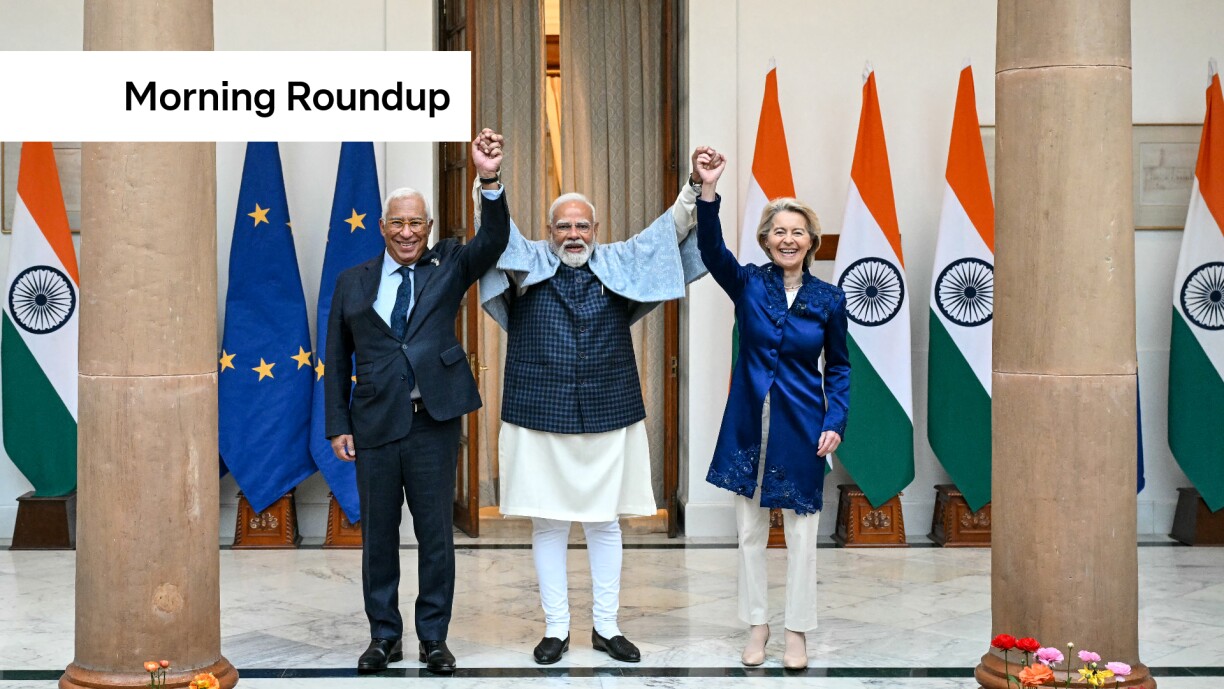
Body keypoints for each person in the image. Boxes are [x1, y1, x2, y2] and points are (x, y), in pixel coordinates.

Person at [477, 148, 713, 665]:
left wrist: (696, 186)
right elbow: (496, 233)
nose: (573, 234)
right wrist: (490, 179)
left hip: (609, 411)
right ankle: (556, 629)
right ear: (549, 231)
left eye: (582, 225)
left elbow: (667, 233)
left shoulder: (618, 261)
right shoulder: (527, 261)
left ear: (596, 229)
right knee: (549, 524)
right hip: (538, 413)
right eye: (563, 226)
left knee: (606, 523)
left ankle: (607, 627)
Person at [324, 128, 510, 675]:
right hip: (374, 425)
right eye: (398, 223)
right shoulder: (352, 282)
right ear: (382, 227)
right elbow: (335, 357)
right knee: (378, 539)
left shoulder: (448, 264)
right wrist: (337, 423)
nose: (407, 232)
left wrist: (489, 179)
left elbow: (494, 239)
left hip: (434, 423)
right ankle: (384, 637)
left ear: (428, 229)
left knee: (435, 537)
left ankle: (433, 638)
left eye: (416, 223)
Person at [694, 152, 850, 670]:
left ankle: (797, 631)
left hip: (803, 427)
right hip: (748, 426)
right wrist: (708, 191)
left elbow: (840, 368)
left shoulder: (829, 299)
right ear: (765, 240)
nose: (788, 239)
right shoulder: (748, 284)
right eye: (778, 231)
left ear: (811, 241)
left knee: (803, 537)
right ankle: (757, 626)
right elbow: (711, 249)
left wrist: (835, 422)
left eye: (797, 232)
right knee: (749, 533)